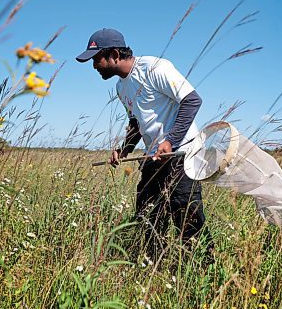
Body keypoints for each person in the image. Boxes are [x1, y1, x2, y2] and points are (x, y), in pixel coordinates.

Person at [76, 28, 213, 264]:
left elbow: (192, 100)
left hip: (182, 153)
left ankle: (205, 271)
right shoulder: (121, 88)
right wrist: (124, 150)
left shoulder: (154, 68)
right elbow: (136, 123)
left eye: (97, 59)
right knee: (147, 213)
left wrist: (170, 140)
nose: (94, 66)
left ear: (115, 54)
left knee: (186, 214)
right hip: (154, 158)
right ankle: (153, 267)